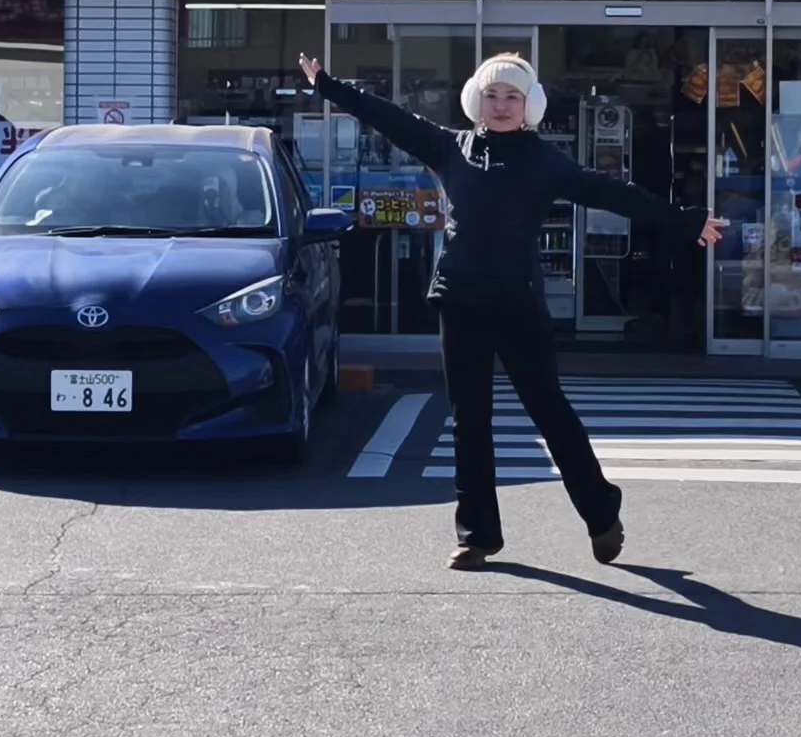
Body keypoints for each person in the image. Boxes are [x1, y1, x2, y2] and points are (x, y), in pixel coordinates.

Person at [300, 51, 724, 571]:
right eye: (492, 94)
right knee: (468, 420)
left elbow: (611, 192)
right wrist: (328, 85)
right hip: (458, 297)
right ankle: (477, 535)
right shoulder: (451, 147)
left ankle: (600, 509)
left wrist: (684, 219)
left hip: (517, 301)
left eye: (512, 96)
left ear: (530, 107)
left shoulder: (544, 161)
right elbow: (388, 116)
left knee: (550, 411)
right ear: (477, 101)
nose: (501, 105)